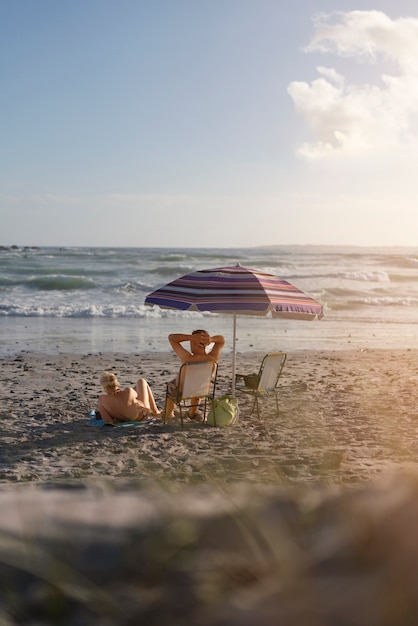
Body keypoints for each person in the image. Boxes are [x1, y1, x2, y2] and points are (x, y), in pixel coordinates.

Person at [165, 330, 225, 420]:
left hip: (181, 392)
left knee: (171, 385)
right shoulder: (213, 359)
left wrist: (191, 337)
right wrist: (210, 339)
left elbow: (172, 338)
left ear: (193, 343)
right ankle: (193, 412)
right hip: (201, 391)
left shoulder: (188, 359)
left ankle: (169, 414)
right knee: (197, 384)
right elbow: (221, 340)